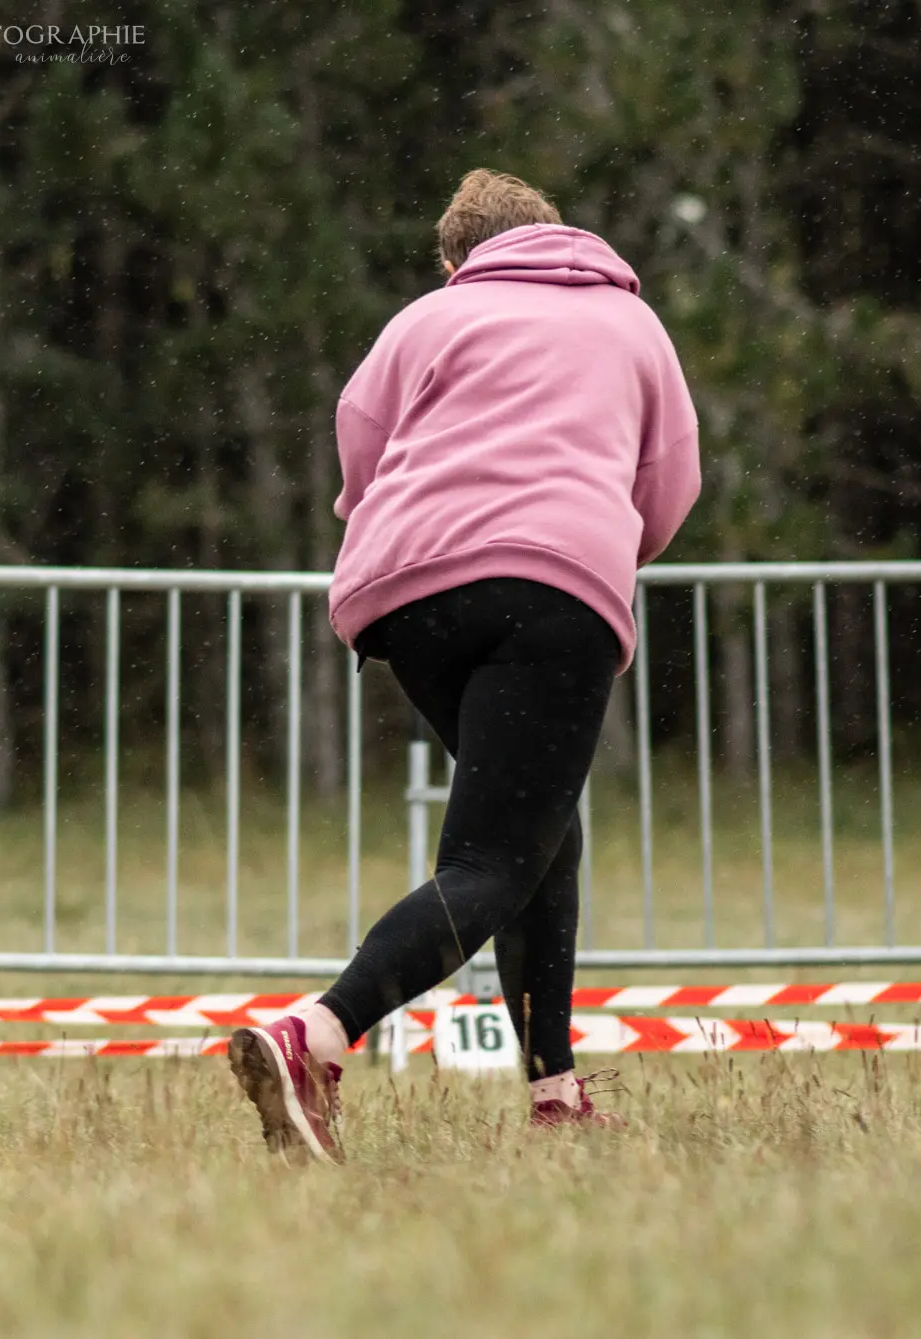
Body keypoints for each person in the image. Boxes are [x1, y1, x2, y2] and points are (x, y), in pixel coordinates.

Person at [228, 169, 700, 1159]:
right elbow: (670, 482)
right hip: (553, 590)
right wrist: (603, 548)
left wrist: (394, 523)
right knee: (492, 858)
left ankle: (552, 1089)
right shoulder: (630, 325)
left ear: (456, 258)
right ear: (559, 234)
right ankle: (314, 1032)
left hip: (411, 598)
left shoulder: (424, 320)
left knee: (538, 833)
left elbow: (357, 441)